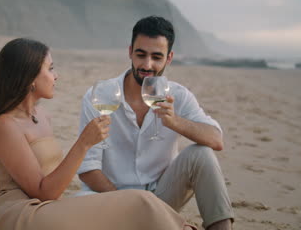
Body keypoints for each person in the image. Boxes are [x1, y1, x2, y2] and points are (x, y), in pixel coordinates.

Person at [0, 38, 196, 229]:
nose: (56, 75)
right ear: (30, 77)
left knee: (136, 207)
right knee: (141, 201)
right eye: (50, 69)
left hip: (47, 209)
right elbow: (43, 192)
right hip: (26, 217)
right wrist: (83, 144)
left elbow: (31, 179)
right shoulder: (5, 126)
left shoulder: (41, 115)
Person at [77, 16, 235, 230]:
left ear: (169, 58)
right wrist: (132, 207)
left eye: (156, 57)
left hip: (160, 199)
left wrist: (175, 122)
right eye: (140, 55)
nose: (147, 65)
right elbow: (88, 167)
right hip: (111, 200)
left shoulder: (179, 96)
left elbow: (216, 139)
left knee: (201, 154)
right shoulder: (100, 95)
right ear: (130, 51)